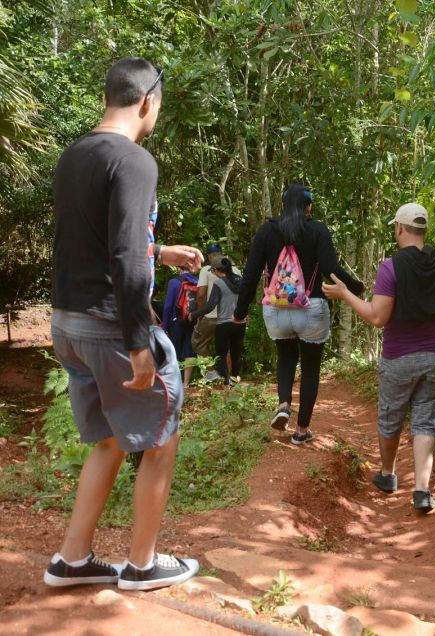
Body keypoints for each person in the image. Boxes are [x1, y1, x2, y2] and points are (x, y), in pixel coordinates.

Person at [44, 57, 202, 590]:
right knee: (160, 436)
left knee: (110, 439)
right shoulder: (134, 160)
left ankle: (72, 560)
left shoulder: (75, 155)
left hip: (68, 321)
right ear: (148, 102)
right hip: (113, 325)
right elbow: (126, 258)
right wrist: (140, 342)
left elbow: (98, 242)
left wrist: (162, 249)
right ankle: (142, 564)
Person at [323, 202, 435, 512]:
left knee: (390, 417)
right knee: (425, 422)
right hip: (433, 356)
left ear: (400, 228)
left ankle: (388, 475)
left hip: (399, 358)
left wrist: (345, 294)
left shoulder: (391, 267)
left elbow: (377, 317)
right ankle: (421, 490)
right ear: (424, 230)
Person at [234, 184, 363, 445]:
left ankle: (283, 405)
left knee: (286, 357)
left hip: (276, 309)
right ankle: (302, 430)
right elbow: (330, 267)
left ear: (283, 205)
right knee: (311, 368)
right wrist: (356, 288)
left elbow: (250, 276)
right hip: (311, 308)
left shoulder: (267, 231)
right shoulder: (317, 230)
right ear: (309, 206)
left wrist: (240, 312)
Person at [190, 256, 245, 386]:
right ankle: (235, 381)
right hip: (240, 323)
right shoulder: (240, 281)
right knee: (236, 353)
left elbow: (210, 305)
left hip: (224, 323)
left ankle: (226, 383)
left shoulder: (219, 283)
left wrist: (194, 314)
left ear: (216, 270)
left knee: (221, 354)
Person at [161, 267, 198, 384]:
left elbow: (167, 306)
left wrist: (165, 326)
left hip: (176, 320)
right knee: (190, 350)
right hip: (192, 320)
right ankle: (186, 383)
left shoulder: (174, 282)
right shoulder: (197, 281)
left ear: (179, 268)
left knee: (174, 350)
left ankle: (174, 382)